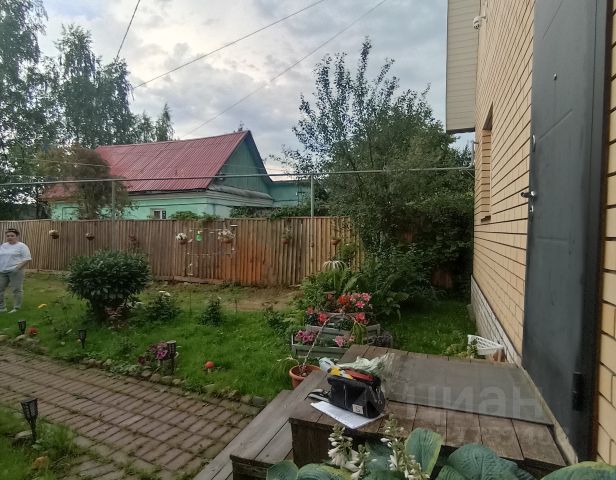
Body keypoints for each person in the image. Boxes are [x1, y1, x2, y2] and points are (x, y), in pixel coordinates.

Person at [0, 229, 32, 313]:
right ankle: (2, 308)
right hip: (2, 271)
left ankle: (16, 308)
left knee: (16, 290)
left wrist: (17, 268)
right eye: (8, 236)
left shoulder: (22, 246)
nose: (10, 237)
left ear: (17, 236)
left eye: (12, 236)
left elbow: (27, 259)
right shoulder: (3, 246)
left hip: (15, 271)